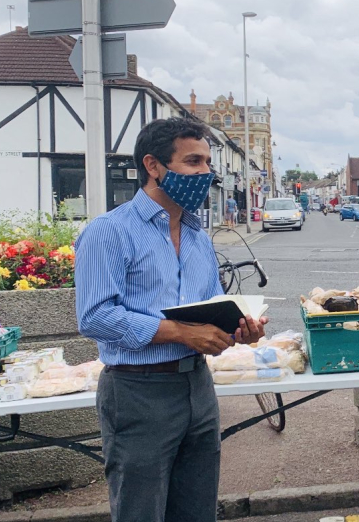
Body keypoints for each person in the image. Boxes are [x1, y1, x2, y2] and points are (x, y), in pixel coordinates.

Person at [75, 117, 268, 522]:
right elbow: (94, 316)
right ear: (153, 165)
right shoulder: (109, 231)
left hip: (197, 386)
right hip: (137, 391)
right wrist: (180, 332)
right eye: (193, 162)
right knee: (140, 512)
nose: (205, 173)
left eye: (207, 163)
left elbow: (208, 312)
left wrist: (239, 330)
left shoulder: (199, 237)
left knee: (197, 511)